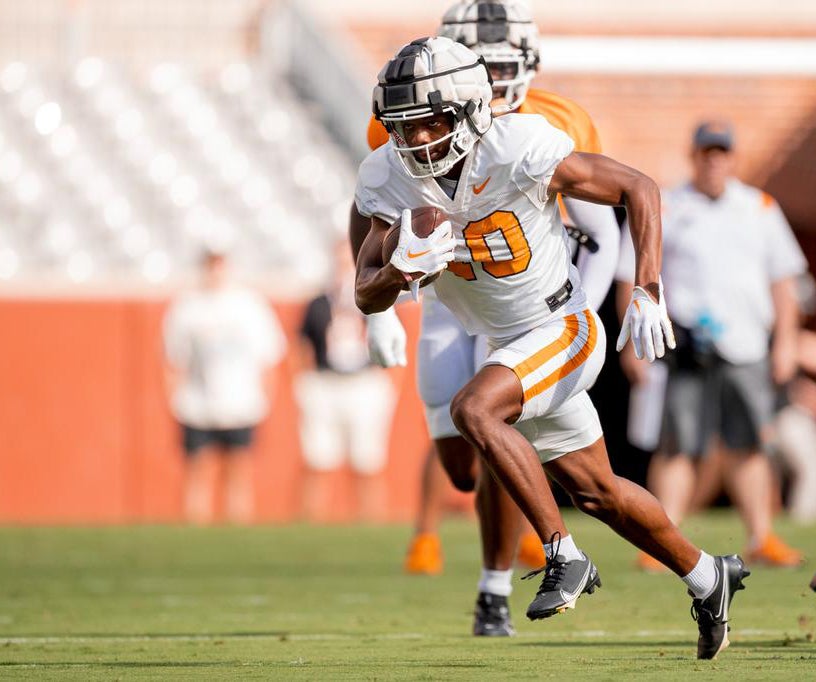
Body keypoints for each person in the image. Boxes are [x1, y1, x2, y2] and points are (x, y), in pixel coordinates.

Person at [354, 36, 748, 660]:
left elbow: (639, 188)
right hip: (509, 344)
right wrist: (397, 275)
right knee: (598, 491)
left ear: (469, 112)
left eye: (426, 122)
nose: (412, 140)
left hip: (563, 326)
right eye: (400, 126)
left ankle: (563, 554)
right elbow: (364, 290)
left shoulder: (517, 144)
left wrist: (647, 286)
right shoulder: (387, 177)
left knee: (473, 410)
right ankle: (707, 575)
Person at [351, 0, 621, 636]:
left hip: (523, 305)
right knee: (463, 467)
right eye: (482, 63)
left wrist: (591, 305)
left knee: (493, 418)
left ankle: (496, 586)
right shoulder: (401, 125)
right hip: (448, 300)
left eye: (502, 63)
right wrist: (377, 303)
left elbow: (603, 223)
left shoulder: (547, 123)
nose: (495, 77)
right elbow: (370, 214)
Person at [616, 121, 807, 570]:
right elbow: (635, 274)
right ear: (694, 155)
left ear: (733, 157)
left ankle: (762, 535)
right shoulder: (669, 205)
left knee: (750, 443)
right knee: (678, 444)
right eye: (707, 152)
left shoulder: (759, 206)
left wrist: (784, 341)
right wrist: (633, 344)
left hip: (745, 341)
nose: (714, 160)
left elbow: (784, 282)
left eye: (722, 152)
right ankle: (665, 539)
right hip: (686, 341)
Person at [163, 243, 286, 524]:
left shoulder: (249, 304)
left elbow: (270, 356)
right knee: (198, 471)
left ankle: (239, 532)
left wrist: (265, 399)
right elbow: (174, 359)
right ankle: (195, 529)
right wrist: (175, 399)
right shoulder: (187, 307)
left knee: (239, 471)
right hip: (198, 402)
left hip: (240, 402)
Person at [295, 242, 397, 522]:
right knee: (317, 459)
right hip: (325, 382)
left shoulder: (374, 301)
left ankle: (372, 520)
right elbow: (303, 345)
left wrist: (388, 383)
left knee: (368, 460)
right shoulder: (318, 303)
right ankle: (311, 522)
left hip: (364, 382)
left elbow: (391, 342)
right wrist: (305, 382)